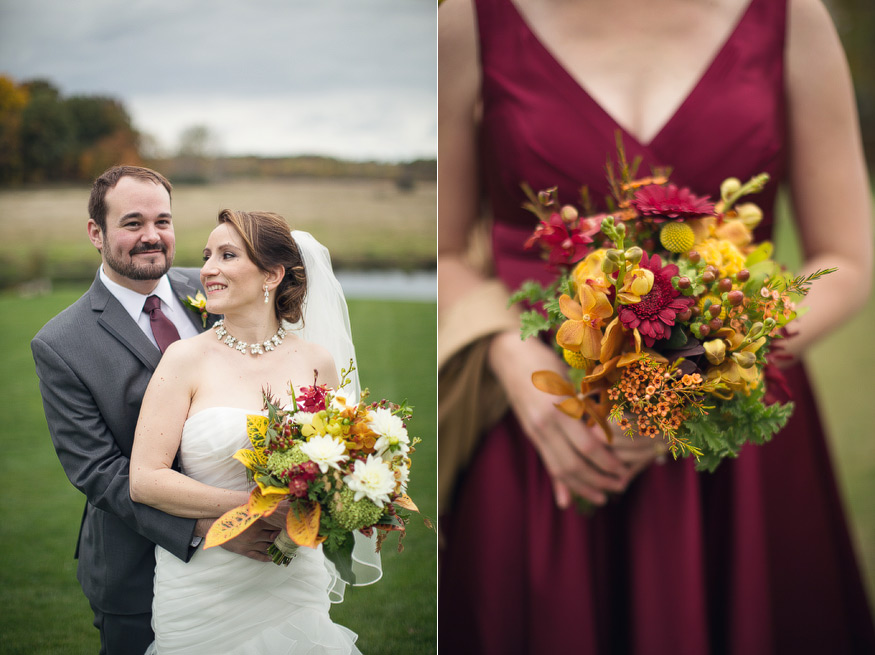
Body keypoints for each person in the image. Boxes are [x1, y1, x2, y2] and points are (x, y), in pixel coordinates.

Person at [438, 0, 875, 653]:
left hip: (733, 446)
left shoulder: (790, 18)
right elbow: (441, 253)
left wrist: (701, 370)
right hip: (550, 432)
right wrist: (510, 360)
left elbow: (846, 257)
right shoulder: (469, 22)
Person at [31, 166, 277, 655]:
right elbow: (98, 471)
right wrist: (208, 529)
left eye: (162, 221)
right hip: (138, 560)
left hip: (259, 554)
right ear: (95, 233)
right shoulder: (61, 343)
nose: (152, 237)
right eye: (132, 223)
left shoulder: (214, 286)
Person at [129, 209, 378, 654]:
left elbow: (341, 466)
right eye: (207, 256)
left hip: (292, 576)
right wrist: (254, 509)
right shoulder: (184, 359)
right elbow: (145, 479)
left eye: (227, 255)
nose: (207, 269)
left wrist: (336, 500)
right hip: (203, 584)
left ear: (272, 274)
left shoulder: (317, 362)